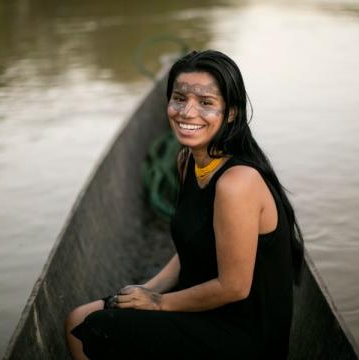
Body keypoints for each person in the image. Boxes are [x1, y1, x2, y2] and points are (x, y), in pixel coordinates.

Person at [65, 50, 304, 359]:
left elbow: (234, 287)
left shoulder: (237, 183)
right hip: (205, 309)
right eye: (179, 98)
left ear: (231, 112)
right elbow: (190, 249)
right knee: (77, 318)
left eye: (206, 103)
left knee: (96, 329)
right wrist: (147, 289)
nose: (187, 112)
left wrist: (158, 303)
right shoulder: (187, 162)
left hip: (242, 335)